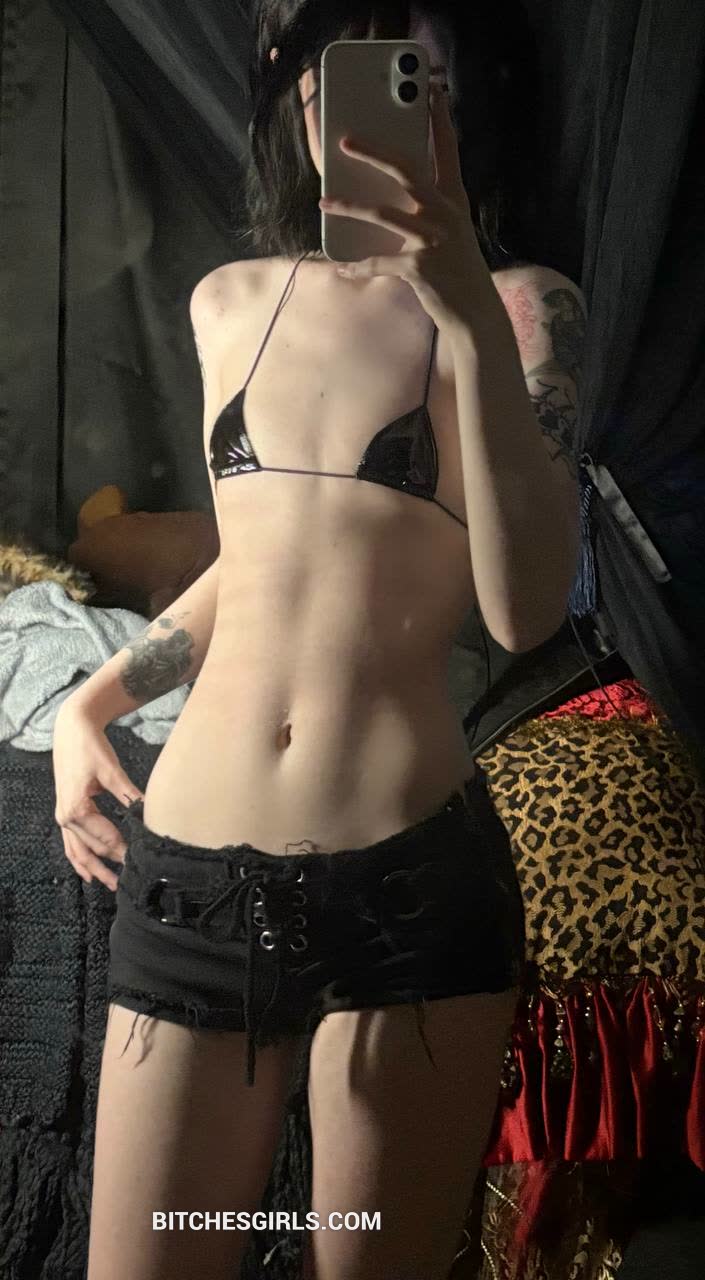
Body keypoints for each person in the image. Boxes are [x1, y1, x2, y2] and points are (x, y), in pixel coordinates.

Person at [51, 2, 585, 1277]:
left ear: (463, 100)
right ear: (297, 100)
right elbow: (259, 565)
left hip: (408, 885)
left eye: (419, 78)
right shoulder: (227, 300)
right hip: (191, 879)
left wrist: (464, 312)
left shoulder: (527, 310)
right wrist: (91, 698)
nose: (368, 113)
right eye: (332, 79)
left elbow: (525, 608)